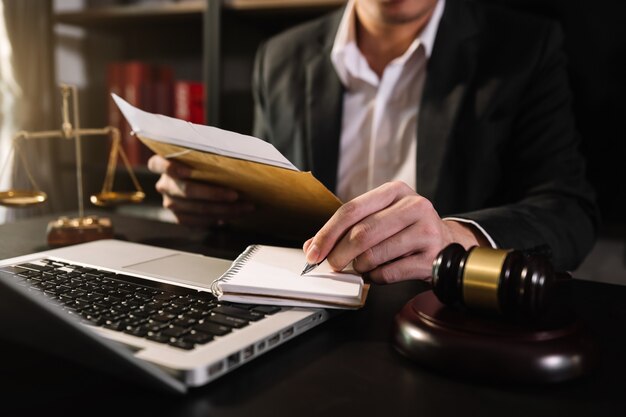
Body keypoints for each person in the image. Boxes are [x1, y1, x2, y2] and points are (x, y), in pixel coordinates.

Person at [148, 0, 599, 283]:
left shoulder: (526, 45)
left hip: (448, 323)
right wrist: (211, 204)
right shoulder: (279, 56)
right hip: (302, 312)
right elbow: (271, 203)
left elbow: (568, 209)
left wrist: (453, 238)